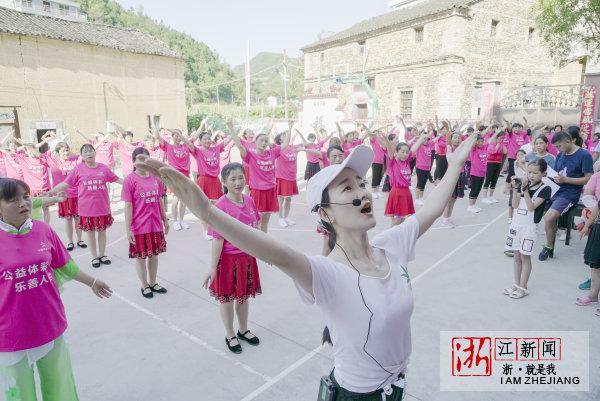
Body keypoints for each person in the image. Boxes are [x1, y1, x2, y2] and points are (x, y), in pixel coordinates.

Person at [134, 132, 476, 400]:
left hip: (397, 383)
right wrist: (208, 213)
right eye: (348, 188)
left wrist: (457, 163)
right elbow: (277, 253)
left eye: (362, 184)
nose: (363, 194)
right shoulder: (327, 273)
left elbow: (430, 207)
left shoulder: (392, 245)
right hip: (357, 393)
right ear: (325, 214)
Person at [0, 177, 112, 401]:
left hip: (49, 322)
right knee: (18, 393)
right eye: (13, 200)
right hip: (10, 333)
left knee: (60, 386)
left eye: (26, 197)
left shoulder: (43, 230)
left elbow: (64, 265)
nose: (24, 203)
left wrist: (92, 281)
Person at [202, 163, 262, 354]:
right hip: (228, 261)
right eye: (233, 179)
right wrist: (212, 267)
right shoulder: (220, 206)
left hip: (247, 259)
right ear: (224, 182)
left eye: (241, 177)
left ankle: (243, 330)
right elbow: (217, 240)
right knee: (227, 300)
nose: (238, 182)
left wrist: (266, 251)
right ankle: (230, 334)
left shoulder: (250, 201)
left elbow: (256, 230)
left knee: (243, 298)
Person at [46, 144, 123, 268]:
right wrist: (50, 192)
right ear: (81, 155)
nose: (88, 154)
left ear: (94, 152)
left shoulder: (104, 168)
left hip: (102, 207)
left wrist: (133, 184)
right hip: (86, 209)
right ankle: (94, 257)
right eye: (85, 152)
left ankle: (102, 254)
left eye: (90, 151)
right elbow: (65, 184)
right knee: (91, 232)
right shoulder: (78, 169)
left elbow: (117, 179)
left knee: (102, 232)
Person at [122, 148, 170, 299]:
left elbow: (160, 200)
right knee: (141, 257)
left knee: (154, 256)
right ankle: (144, 285)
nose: (143, 162)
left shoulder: (156, 178)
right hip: (139, 227)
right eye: (140, 159)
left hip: (155, 224)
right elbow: (128, 206)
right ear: (134, 162)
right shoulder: (130, 180)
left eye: (146, 159)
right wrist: (128, 229)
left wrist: (165, 219)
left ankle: (153, 282)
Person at [539, 132, 593, 261]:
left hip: (570, 194)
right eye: (556, 147)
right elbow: (557, 173)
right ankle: (550, 240)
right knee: (539, 210)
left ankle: (548, 246)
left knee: (548, 217)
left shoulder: (584, 155)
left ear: (569, 141)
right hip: (555, 189)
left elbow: (588, 178)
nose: (558, 149)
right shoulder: (560, 155)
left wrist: (566, 180)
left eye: (559, 146)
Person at [231, 121, 291, 233]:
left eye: (266, 141)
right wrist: (231, 127)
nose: (264, 143)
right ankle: (255, 241)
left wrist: (290, 127)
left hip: (270, 190)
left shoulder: (272, 153)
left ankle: (264, 239)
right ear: (255, 142)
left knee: (266, 219)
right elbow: (239, 145)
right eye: (261, 140)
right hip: (258, 191)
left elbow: (285, 144)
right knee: (256, 219)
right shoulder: (251, 155)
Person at [503, 159, 551, 299]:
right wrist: (516, 188)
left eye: (535, 173)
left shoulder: (545, 189)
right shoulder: (523, 185)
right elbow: (515, 205)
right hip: (516, 225)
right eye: (529, 172)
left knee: (525, 256)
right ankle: (516, 284)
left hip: (529, 227)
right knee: (516, 255)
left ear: (544, 173)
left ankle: (523, 287)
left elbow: (531, 207)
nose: (531, 175)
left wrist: (525, 189)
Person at [45, 142, 85, 250]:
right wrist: (53, 144)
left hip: (77, 195)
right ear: (57, 153)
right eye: (63, 151)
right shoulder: (54, 161)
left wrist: (69, 151)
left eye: (67, 150)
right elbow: (44, 155)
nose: (66, 152)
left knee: (77, 218)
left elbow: (85, 154)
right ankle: (70, 242)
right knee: (68, 219)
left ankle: (80, 240)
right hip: (63, 196)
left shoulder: (76, 160)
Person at [154, 128, 191, 231]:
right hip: (174, 175)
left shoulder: (186, 146)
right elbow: (157, 136)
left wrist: (202, 125)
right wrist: (154, 123)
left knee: (184, 200)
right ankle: (175, 221)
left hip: (185, 176)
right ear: (172, 136)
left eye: (179, 135)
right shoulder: (168, 146)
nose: (178, 138)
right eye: (176, 135)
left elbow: (196, 137)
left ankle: (181, 220)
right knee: (176, 198)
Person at [382, 138, 415, 227]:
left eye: (407, 152)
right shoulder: (393, 162)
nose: (405, 154)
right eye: (402, 151)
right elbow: (389, 151)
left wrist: (421, 138)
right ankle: (390, 237)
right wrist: (387, 140)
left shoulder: (407, 162)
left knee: (403, 219)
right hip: (397, 192)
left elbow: (414, 148)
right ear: (396, 152)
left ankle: (396, 236)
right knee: (397, 220)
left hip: (406, 192)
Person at [442, 132, 467, 227]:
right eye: (455, 138)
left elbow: (465, 139)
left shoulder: (462, 149)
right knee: (450, 199)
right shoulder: (449, 149)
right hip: (452, 176)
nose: (457, 139)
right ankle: (445, 219)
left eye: (459, 138)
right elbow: (448, 142)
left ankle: (449, 217)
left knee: (454, 199)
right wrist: (448, 130)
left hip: (460, 176)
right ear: (451, 140)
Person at [481, 127, 505, 204]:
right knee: (488, 180)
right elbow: (494, 151)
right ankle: (484, 197)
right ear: (497, 137)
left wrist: (502, 143)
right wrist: (498, 143)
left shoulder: (501, 144)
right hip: (490, 163)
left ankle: (491, 196)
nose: (502, 139)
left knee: (494, 180)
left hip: (498, 163)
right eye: (501, 138)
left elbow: (505, 152)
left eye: (503, 138)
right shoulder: (491, 144)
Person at [467, 134, 488, 213]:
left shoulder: (484, 148)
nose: (480, 143)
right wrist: (475, 137)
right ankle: (470, 206)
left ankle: (473, 205)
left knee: (478, 190)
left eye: (482, 141)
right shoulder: (474, 149)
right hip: (475, 173)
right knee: (474, 189)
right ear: (476, 142)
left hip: (483, 173)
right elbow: (471, 143)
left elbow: (489, 141)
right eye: (479, 141)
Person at [411, 131, 433, 205]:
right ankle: (416, 199)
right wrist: (420, 138)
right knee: (419, 183)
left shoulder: (429, 145)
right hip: (420, 167)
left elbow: (433, 139)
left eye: (427, 139)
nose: (426, 141)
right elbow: (413, 147)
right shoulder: (419, 145)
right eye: (424, 139)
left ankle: (421, 198)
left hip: (427, 168)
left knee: (423, 184)